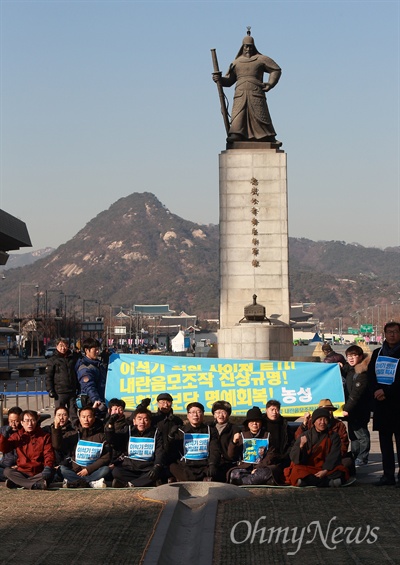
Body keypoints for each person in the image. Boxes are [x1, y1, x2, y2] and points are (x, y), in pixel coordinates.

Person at [212, 31, 281, 144]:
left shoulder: (261, 59)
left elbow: (276, 70)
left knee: (260, 115)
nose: (248, 49)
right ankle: (236, 134)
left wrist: (270, 84)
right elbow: (229, 81)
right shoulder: (236, 62)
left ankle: (267, 136)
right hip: (240, 93)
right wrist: (219, 79)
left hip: (256, 92)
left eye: (250, 46)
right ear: (242, 47)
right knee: (239, 114)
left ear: (254, 46)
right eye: (246, 46)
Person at [367, 321, 400, 486]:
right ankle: (387, 476)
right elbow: (371, 375)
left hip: (397, 404)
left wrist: (387, 392)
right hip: (382, 406)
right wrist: (377, 391)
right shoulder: (377, 353)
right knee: (385, 444)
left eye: (395, 332)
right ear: (384, 334)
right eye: (389, 332)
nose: (392, 335)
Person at [284, 408, 349, 487]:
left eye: (325, 420)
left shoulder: (333, 436)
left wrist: (325, 470)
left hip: (325, 467)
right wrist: (301, 446)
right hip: (308, 467)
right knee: (296, 470)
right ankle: (327, 483)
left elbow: (334, 455)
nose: (322, 422)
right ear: (314, 422)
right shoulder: (306, 435)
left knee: (341, 471)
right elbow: (294, 457)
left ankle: (307, 481)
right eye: (320, 419)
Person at [56, 406, 111, 488]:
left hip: (93, 471)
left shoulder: (101, 436)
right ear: (79, 418)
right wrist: (56, 429)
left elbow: (106, 457)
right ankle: (91, 483)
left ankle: (76, 483)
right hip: (76, 471)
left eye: (89, 417)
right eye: (83, 417)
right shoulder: (73, 434)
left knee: (105, 469)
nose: (86, 420)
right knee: (62, 469)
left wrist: (88, 469)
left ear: (94, 418)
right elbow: (57, 445)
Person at [0, 410, 55, 489]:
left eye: (32, 420)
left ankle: (19, 482)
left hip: (39, 471)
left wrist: (47, 467)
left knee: (51, 472)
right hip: (22, 471)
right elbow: (4, 449)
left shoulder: (44, 436)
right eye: (27, 421)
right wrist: (4, 437)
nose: (30, 424)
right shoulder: (17, 436)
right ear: (22, 422)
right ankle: (35, 485)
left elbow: (49, 454)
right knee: (7, 471)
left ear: (36, 421)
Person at [111, 406, 164, 488]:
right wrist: (109, 427)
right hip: (130, 467)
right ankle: (145, 482)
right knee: (116, 471)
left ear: (149, 421)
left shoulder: (156, 433)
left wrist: (157, 466)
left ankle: (129, 484)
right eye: (139, 419)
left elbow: (159, 451)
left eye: (145, 419)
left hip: (147, 467)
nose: (142, 422)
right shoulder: (128, 430)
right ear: (134, 421)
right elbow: (113, 440)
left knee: (159, 471)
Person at [168, 402, 220, 482]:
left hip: (204, 465)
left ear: (203, 414)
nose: (195, 415)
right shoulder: (181, 430)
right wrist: (171, 436)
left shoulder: (210, 430)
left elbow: (214, 449)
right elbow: (172, 450)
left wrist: (212, 464)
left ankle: (188, 480)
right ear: (188, 416)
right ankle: (196, 480)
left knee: (217, 469)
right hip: (186, 465)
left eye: (198, 412)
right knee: (172, 466)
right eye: (192, 412)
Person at [227, 406, 278, 485]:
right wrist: (234, 442)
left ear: (261, 423)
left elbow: (271, 455)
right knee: (234, 474)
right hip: (245, 467)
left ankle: (246, 481)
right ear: (247, 423)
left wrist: (258, 468)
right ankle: (258, 481)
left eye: (257, 421)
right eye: (252, 421)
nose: (254, 423)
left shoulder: (267, 435)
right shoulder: (242, 435)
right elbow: (231, 455)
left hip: (262, 467)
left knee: (267, 472)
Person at [342, 345, 372, 467]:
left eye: (354, 356)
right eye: (349, 356)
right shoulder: (350, 370)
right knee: (353, 435)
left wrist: (346, 409)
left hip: (359, 409)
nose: (351, 358)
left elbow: (355, 395)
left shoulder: (362, 373)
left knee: (362, 435)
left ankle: (362, 457)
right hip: (352, 410)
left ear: (360, 357)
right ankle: (355, 456)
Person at [45, 337, 79, 426]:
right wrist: (50, 390)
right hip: (59, 392)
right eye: (61, 346)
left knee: (73, 414)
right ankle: (59, 430)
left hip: (71, 391)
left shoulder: (72, 358)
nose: (63, 348)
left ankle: (75, 431)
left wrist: (78, 388)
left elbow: (76, 374)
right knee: (60, 414)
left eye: (65, 345)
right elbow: (49, 376)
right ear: (56, 346)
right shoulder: (53, 360)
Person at [75, 338, 107, 418]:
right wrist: (96, 400)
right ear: (86, 350)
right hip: (92, 404)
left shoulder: (99, 364)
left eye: (98, 349)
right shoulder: (85, 368)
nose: (97, 352)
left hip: (101, 400)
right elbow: (89, 386)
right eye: (95, 350)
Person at [210, 400, 241, 482]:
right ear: (214, 414)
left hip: (227, 463)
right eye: (217, 412)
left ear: (228, 414)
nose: (220, 415)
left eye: (223, 412)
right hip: (211, 463)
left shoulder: (234, 429)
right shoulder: (209, 427)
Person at [104, 398, 130, 467]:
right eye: (115, 409)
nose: (118, 412)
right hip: (105, 456)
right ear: (109, 410)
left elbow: (112, 440)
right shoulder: (104, 422)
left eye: (120, 409)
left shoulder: (126, 425)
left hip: (118, 457)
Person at [0, 407, 22, 482]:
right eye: (11, 421)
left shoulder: (25, 432)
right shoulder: (3, 430)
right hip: (5, 464)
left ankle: (13, 478)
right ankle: (12, 478)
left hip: (20, 466)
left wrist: (18, 466)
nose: (13, 424)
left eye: (16, 421)